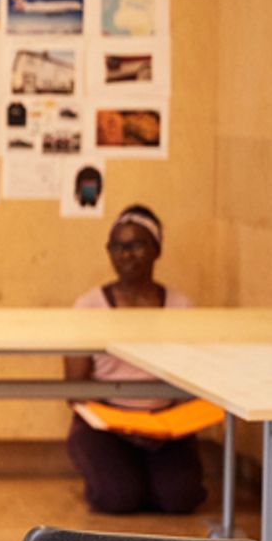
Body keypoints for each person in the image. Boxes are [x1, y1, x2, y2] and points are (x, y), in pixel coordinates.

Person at [63, 205, 206, 515]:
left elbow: (195, 378)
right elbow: (76, 389)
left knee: (181, 499)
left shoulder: (180, 306)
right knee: (119, 499)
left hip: (165, 425)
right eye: (117, 246)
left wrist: (164, 424)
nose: (125, 255)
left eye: (135, 245)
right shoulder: (90, 306)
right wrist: (124, 426)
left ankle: (151, 475)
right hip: (106, 423)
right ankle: (120, 473)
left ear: (157, 249)